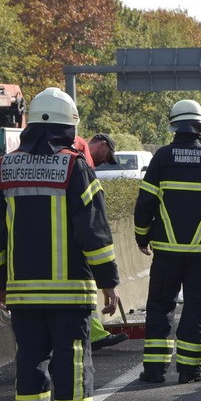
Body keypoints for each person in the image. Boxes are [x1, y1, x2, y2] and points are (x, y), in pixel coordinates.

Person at [0, 87, 119, 401]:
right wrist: (108, 281)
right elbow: (94, 233)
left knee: (30, 362)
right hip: (69, 292)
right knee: (73, 362)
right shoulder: (74, 166)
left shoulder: (5, 166)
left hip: (23, 293)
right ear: (68, 125)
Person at [134, 100, 201, 385]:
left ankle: (155, 371)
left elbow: (145, 203)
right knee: (197, 308)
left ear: (175, 125)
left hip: (166, 253)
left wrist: (141, 237)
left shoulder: (161, 158)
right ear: (200, 126)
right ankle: (189, 371)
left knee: (159, 307)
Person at [73, 132, 127, 350]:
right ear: (102, 144)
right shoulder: (80, 154)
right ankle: (94, 336)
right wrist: (108, 282)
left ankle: (94, 334)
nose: (105, 161)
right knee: (82, 289)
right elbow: (94, 226)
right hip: (72, 245)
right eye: (107, 156)